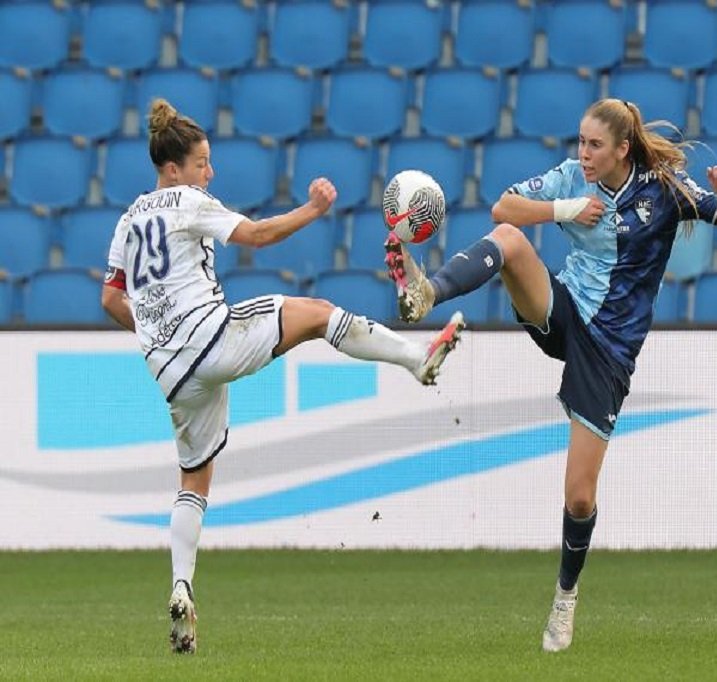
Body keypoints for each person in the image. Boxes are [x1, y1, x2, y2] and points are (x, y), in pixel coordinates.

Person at [100, 99, 466, 654]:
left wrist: (155, 332)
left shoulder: (129, 220)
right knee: (318, 313)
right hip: (210, 336)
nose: (210, 173)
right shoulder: (189, 201)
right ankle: (416, 360)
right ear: (174, 170)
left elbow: (110, 297)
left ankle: (181, 584)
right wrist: (313, 209)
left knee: (193, 478)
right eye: (203, 163)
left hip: (169, 368)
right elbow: (258, 236)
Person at [383, 98, 717, 652]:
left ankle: (564, 598)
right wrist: (563, 210)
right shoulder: (572, 179)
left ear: (623, 148)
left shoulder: (667, 190)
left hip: (608, 351)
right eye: (580, 142)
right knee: (509, 242)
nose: (584, 153)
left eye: (595, 145)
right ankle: (426, 292)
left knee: (579, 497)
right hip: (562, 310)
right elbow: (503, 209)